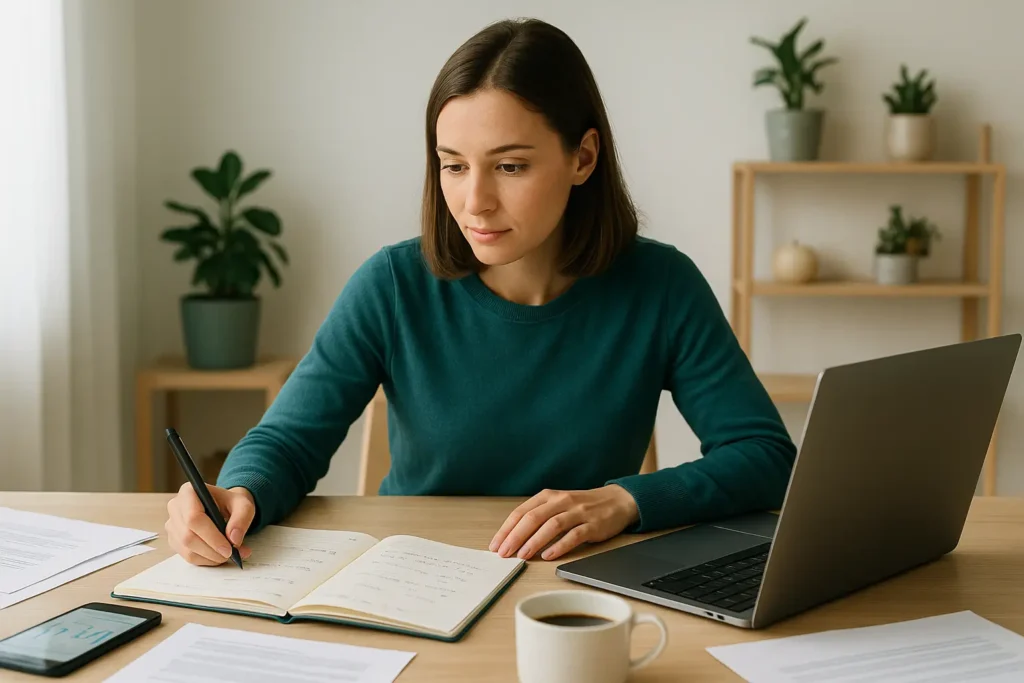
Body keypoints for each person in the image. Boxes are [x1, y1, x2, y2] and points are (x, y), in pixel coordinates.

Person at [164, 17, 796, 568]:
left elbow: (766, 456)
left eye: (510, 165)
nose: (475, 202)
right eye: (453, 164)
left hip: (579, 590)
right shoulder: (392, 285)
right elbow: (288, 440)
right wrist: (238, 494)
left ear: (583, 157)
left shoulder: (661, 286)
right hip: (412, 576)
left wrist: (627, 500)